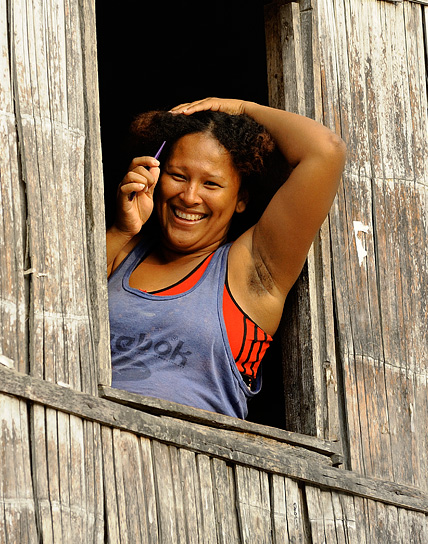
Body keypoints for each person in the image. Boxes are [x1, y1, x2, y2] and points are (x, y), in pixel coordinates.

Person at [106, 97, 346, 419]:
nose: (190, 197)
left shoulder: (252, 270)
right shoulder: (122, 250)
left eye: (211, 184)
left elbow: (326, 152)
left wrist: (243, 109)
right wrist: (122, 230)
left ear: (241, 199)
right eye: (178, 176)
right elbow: (58, 313)